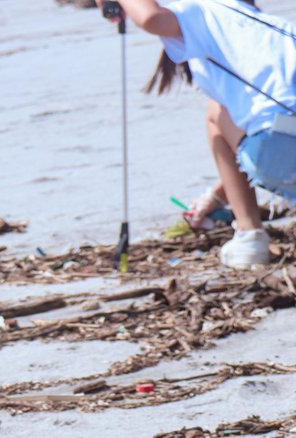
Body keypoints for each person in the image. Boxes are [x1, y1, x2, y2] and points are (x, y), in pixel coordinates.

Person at [102, 0, 296, 266]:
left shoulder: (204, 9)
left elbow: (151, 18)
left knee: (216, 111)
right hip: (283, 140)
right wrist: (215, 197)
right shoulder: (273, 31)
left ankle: (249, 235)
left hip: (278, 151)